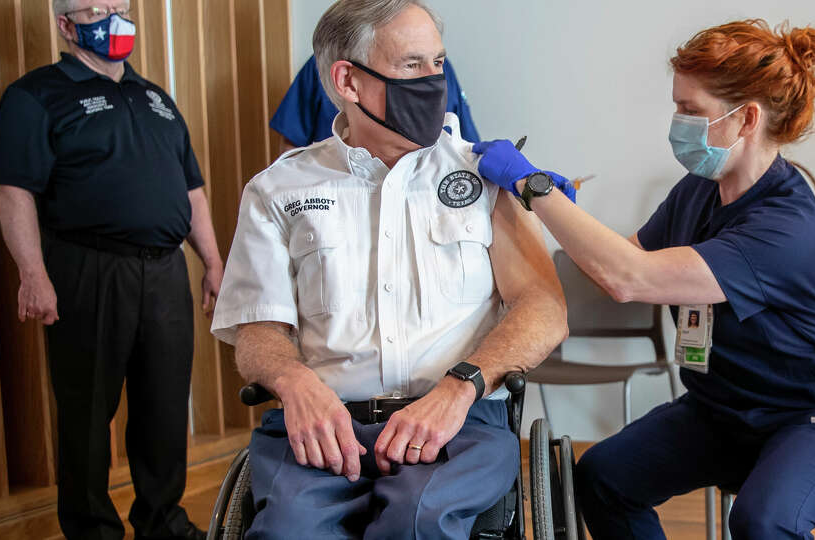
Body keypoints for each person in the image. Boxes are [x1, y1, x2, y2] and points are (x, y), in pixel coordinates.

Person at [473, 19, 815, 540]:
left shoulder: (789, 226)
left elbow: (630, 278)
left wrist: (533, 185)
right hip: (724, 409)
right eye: (677, 106)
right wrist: (546, 211)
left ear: (747, 120)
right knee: (603, 478)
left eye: (691, 111)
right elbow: (619, 261)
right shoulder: (698, 190)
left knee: (764, 525)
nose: (677, 122)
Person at [211, 1, 567, 538]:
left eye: (438, 64)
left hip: (459, 423)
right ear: (348, 81)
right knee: (288, 530)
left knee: (419, 520)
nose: (433, 82)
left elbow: (544, 310)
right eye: (412, 66)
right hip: (325, 423)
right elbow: (258, 331)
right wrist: (294, 382)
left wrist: (459, 388)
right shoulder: (278, 190)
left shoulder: (486, 175)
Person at [0, 1, 222, 539]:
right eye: (96, 8)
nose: (113, 17)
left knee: (163, 407)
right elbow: (13, 188)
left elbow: (191, 189)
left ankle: (163, 521)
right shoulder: (35, 95)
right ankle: (92, 528)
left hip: (165, 273)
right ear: (66, 24)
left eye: (120, 6)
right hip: (86, 270)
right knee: (87, 413)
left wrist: (212, 260)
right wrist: (32, 273)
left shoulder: (156, 98)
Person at [270, 54, 480, 155]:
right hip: (339, 195)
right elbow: (292, 143)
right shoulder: (322, 67)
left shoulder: (439, 70)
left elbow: (464, 145)